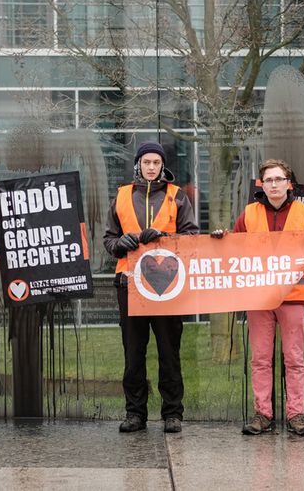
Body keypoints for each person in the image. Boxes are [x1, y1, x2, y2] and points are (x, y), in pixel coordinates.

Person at [215, 159, 304, 437]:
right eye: (269, 180)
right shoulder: (249, 214)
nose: (274, 185)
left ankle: (296, 415)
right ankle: (263, 414)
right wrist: (223, 239)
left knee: (294, 359)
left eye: (279, 179)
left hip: (292, 296)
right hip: (259, 298)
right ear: (262, 185)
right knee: (261, 359)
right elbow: (235, 251)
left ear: (289, 184)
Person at [103, 141, 198, 433]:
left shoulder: (177, 196)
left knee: (169, 352)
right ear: (138, 165)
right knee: (133, 353)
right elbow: (108, 239)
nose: (152, 167)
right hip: (129, 284)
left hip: (167, 285)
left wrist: (164, 237)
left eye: (156, 162)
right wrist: (120, 244)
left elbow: (192, 237)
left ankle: (173, 413)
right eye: (146, 162)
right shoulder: (121, 196)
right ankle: (135, 413)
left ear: (162, 165)